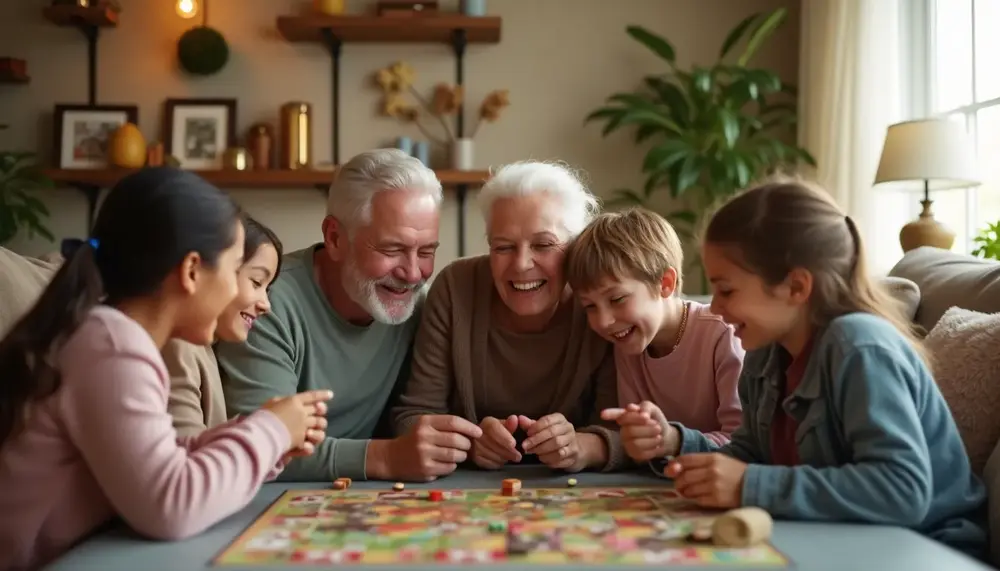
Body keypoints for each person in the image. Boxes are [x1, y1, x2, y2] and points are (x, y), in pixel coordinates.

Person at [0, 167, 332, 571]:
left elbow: (163, 462)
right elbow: (172, 503)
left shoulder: (109, 336)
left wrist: (263, 434)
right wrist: (272, 431)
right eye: (233, 271)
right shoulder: (111, 345)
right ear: (192, 271)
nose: (237, 291)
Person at [654, 178, 987, 558]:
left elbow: (901, 491)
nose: (714, 307)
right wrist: (680, 448)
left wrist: (750, 485)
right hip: (838, 536)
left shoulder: (860, 347)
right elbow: (752, 454)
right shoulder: (765, 351)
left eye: (726, 290)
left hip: (925, 547)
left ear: (796, 287)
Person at [216, 148, 448, 483]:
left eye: (426, 252)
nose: (413, 274)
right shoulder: (267, 303)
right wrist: (385, 457)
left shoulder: (417, 304)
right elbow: (260, 445)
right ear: (335, 238)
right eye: (391, 249)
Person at [391, 160, 624, 477]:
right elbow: (411, 416)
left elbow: (625, 429)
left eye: (543, 244)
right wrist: (471, 443)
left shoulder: (600, 303)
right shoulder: (456, 288)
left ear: (575, 247)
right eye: (504, 247)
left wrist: (582, 446)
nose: (522, 264)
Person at [563, 208, 743, 466]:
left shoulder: (723, 334)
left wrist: (671, 439)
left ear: (665, 283)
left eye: (617, 299)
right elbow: (636, 444)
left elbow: (742, 444)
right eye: (590, 306)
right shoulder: (628, 343)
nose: (603, 321)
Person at [165, 214, 284, 437]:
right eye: (256, 282)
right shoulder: (179, 348)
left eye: (267, 289)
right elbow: (188, 462)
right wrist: (272, 432)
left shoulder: (206, 349)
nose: (266, 305)